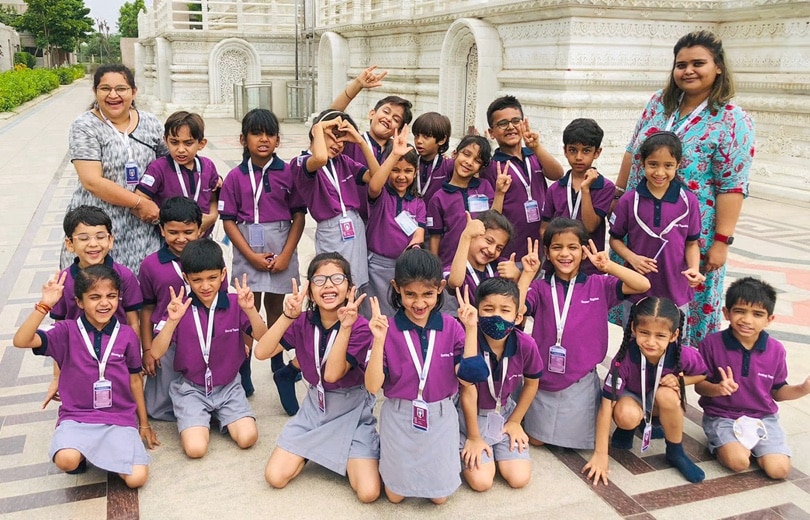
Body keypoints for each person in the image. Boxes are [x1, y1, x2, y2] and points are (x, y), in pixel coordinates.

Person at [612, 30, 755, 346]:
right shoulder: (658, 105)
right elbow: (631, 151)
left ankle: (673, 376)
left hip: (690, 234)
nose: (688, 70)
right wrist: (619, 194)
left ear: (718, 67)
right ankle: (633, 366)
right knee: (638, 297)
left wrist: (721, 241)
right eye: (681, 64)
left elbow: (732, 185)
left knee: (680, 308)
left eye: (698, 63)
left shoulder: (731, 118)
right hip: (641, 225)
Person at [13, 265, 158, 488]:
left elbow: (135, 380)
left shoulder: (127, 335)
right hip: (78, 416)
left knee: (137, 479)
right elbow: (21, 340)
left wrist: (144, 424)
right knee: (66, 460)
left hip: (118, 418)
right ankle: (83, 451)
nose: (104, 303)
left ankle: (104, 450)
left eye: (111, 296)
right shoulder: (66, 331)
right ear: (79, 302)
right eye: (94, 297)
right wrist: (45, 305)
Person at [364, 247, 487, 504]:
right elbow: (373, 386)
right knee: (395, 496)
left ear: (441, 288)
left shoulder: (452, 327)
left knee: (439, 498)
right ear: (396, 288)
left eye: (428, 294)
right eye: (410, 294)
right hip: (399, 417)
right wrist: (377, 341)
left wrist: (472, 329)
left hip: (440, 417)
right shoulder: (386, 329)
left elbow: (468, 378)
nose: (419, 303)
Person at [257, 253, 380, 503]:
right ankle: (316, 450)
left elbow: (333, 374)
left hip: (351, 410)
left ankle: (342, 449)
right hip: (315, 408)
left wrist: (345, 327)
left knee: (368, 493)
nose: (328, 285)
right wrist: (288, 316)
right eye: (320, 280)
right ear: (310, 292)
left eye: (337, 278)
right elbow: (262, 352)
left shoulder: (360, 327)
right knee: (275, 476)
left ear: (349, 289)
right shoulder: (303, 321)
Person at [517, 218, 650, 449]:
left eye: (573, 247)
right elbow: (516, 312)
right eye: (557, 247)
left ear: (584, 251)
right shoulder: (539, 287)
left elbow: (642, 285)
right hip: (543, 379)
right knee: (536, 440)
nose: (565, 254)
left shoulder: (600, 285)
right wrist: (527, 275)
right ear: (547, 253)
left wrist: (609, 267)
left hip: (580, 381)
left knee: (574, 443)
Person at [150, 239, 267, 458]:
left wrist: (250, 310)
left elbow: (263, 336)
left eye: (212, 278)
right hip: (191, 388)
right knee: (196, 450)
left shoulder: (235, 303)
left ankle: (214, 414)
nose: (205, 286)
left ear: (223, 275)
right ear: (186, 278)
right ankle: (202, 414)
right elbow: (156, 352)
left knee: (247, 438)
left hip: (228, 387)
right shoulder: (179, 307)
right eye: (197, 280)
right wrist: (172, 322)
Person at [220, 108, 307, 400]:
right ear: (243, 139)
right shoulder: (234, 176)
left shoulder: (288, 173)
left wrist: (285, 254)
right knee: (247, 307)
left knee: (276, 306)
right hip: (248, 247)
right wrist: (250, 256)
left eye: (269, 134)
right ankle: (243, 368)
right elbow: (229, 220)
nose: (263, 139)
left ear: (278, 140)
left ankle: (276, 358)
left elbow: (298, 216)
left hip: (280, 244)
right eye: (256, 133)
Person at [582, 297, 708, 485]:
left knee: (668, 395)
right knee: (626, 415)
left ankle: (675, 452)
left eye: (660, 336)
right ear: (633, 328)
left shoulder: (683, 354)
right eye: (644, 332)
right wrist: (600, 454)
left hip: (658, 401)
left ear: (674, 336)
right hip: (632, 397)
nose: (651, 342)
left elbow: (702, 374)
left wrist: (681, 379)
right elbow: (607, 404)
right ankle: (629, 427)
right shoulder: (624, 357)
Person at [696, 277, 810, 480]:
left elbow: (778, 391)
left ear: (769, 319)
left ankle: (755, 446)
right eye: (739, 311)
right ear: (726, 313)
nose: (747, 320)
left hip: (762, 417)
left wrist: (803, 388)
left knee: (779, 471)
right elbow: (700, 386)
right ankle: (724, 443)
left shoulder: (775, 350)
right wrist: (718, 389)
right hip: (722, 415)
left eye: (757, 314)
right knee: (738, 462)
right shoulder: (711, 344)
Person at [63, 64, 169, 275]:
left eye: (121, 89)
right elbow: (92, 181)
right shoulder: (84, 126)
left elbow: (170, 162)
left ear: (133, 91)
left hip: (142, 228)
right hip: (97, 229)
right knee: (97, 293)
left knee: (141, 293)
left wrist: (210, 178)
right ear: (95, 92)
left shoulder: (151, 123)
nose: (113, 95)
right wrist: (139, 203)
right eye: (105, 89)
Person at [610, 132, 705, 339]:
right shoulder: (629, 200)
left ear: (678, 164)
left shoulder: (689, 201)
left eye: (668, 165)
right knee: (634, 343)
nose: (660, 172)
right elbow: (615, 239)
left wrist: (694, 269)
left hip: (675, 291)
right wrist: (631, 258)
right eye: (653, 164)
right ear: (642, 163)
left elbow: (691, 244)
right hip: (637, 290)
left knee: (673, 346)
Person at [459, 278, 543, 492]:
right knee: (482, 482)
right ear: (477, 312)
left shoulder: (526, 344)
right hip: (470, 418)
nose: (497, 316)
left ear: (518, 316)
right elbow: (466, 389)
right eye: (488, 308)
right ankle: (468, 444)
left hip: (504, 414)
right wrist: (473, 437)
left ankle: (498, 449)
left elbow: (532, 383)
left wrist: (515, 421)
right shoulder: (467, 341)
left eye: (505, 310)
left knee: (519, 478)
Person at [289, 110, 381, 295]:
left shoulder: (344, 161)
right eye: (334, 136)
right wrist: (319, 128)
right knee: (335, 285)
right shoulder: (301, 162)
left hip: (354, 226)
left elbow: (377, 177)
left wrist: (361, 142)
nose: (339, 144)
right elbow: (320, 158)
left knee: (357, 286)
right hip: (331, 230)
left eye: (343, 140)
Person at [138, 197, 203, 421]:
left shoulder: (211, 257)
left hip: (203, 336)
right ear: (162, 230)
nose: (181, 238)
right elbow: (146, 309)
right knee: (158, 408)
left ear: (199, 230)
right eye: (173, 232)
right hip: (165, 339)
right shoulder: (150, 264)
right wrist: (147, 350)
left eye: (188, 231)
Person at [482, 95, 564, 262]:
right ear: (491, 132)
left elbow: (557, 174)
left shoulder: (534, 156)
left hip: (541, 248)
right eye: (503, 123)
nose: (510, 127)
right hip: (510, 253)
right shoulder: (492, 167)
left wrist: (536, 147)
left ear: (523, 123)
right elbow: (490, 215)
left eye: (515, 121)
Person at [330, 65, 413, 221]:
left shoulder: (399, 153)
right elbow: (330, 116)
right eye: (386, 112)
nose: (388, 118)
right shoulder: (351, 140)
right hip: (352, 220)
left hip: (385, 224)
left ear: (400, 129)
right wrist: (357, 86)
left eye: (396, 119)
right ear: (372, 113)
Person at [365, 126, 426, 317]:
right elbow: (375, 185)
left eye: (408, 171)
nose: (401, 176)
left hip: (404, 267)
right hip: (376, 266)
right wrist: (394, 154)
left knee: (399, 313)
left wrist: (415, 247)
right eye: (395, 170)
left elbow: (419, 231)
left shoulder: (418, 202)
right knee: (374, 313)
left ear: (415, 172)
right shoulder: (381, 195)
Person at [541, 118, 614, 275]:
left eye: (586, 151)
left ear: (597, 152)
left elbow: (589, 226)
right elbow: (544, 228)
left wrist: (586, 190)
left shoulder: (605, 187)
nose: (579, 157)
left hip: (589, 268)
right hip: (558, 266)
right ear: (565, 151)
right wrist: (555, 251)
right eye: (573, 150)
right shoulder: (555, 188)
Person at [135, 111, 220, 236]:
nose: (180, 150)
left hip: (202, 241)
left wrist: (212, 217)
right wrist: (169, 223)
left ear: (201, 144)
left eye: (188, 143)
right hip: (169, 244)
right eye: (174, 142)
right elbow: (140, 199)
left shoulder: (208, 166)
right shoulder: (158, 168)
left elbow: (213, 197)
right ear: (165, 141)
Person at [427, 135, 506, 267]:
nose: (469, 162)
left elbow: (495, 220)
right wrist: (435, 269)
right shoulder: (438, 198)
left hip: (480, 263)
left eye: (477, 160)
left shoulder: (484, 186)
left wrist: (499, 193)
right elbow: (435, 237)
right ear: (455, 154)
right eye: (466, 154)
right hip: (450, 264)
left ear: (481, 167)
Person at [446, 211, 519, 308]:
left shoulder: (501, 266)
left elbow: (518, 305)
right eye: (489, 241)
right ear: (473, 235)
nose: (492, 250)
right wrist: (466, 237)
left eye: (499, 248)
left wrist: (517, 277)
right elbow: (455, 282)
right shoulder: (455, 270)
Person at [411, 111, 454, 204]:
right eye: (416, 136)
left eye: (426, 136)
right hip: (413, 215)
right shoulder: (411, 162)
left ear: (442, 140)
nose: (419, 141)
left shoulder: (449, 166)